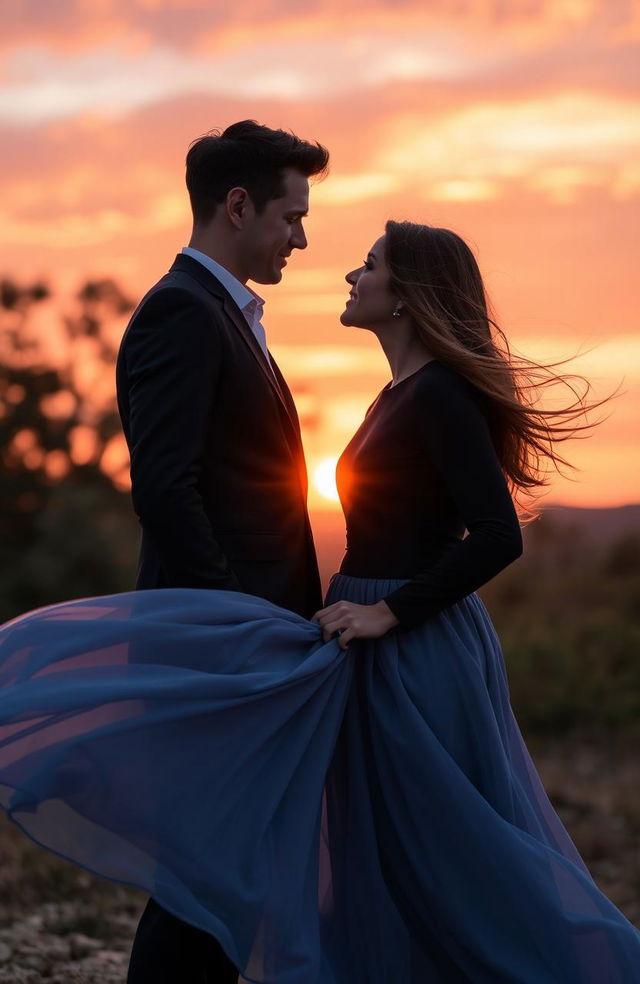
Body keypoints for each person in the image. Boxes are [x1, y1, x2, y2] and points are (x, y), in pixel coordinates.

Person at [1, 222, 639, 983]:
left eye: (369, 267)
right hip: (373, 645)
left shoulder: (440, 395)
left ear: (406, 297)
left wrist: (387, 613)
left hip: (418, 646)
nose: (350, 275)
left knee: (456, 857)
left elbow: (499, 535)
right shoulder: (397, 393)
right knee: (387, 850)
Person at [115, 120, 328, 983]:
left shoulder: (230, 314)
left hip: (235, 641)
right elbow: (167, 486)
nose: (303, 238)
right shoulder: (182, 312)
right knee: (206, 876)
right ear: (236, 206)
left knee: (220, 874)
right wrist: (233, 622)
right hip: (213, 646)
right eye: (291, 215)